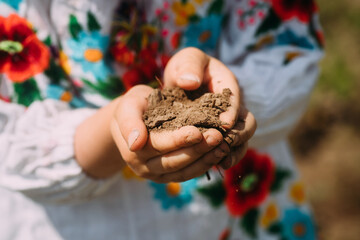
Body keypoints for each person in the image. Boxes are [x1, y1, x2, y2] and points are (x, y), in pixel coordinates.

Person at [0, 0, 324, 239]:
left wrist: (226, 91)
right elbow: (11, 141)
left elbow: (288, 47)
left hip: (234, 214)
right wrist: (115, 130)